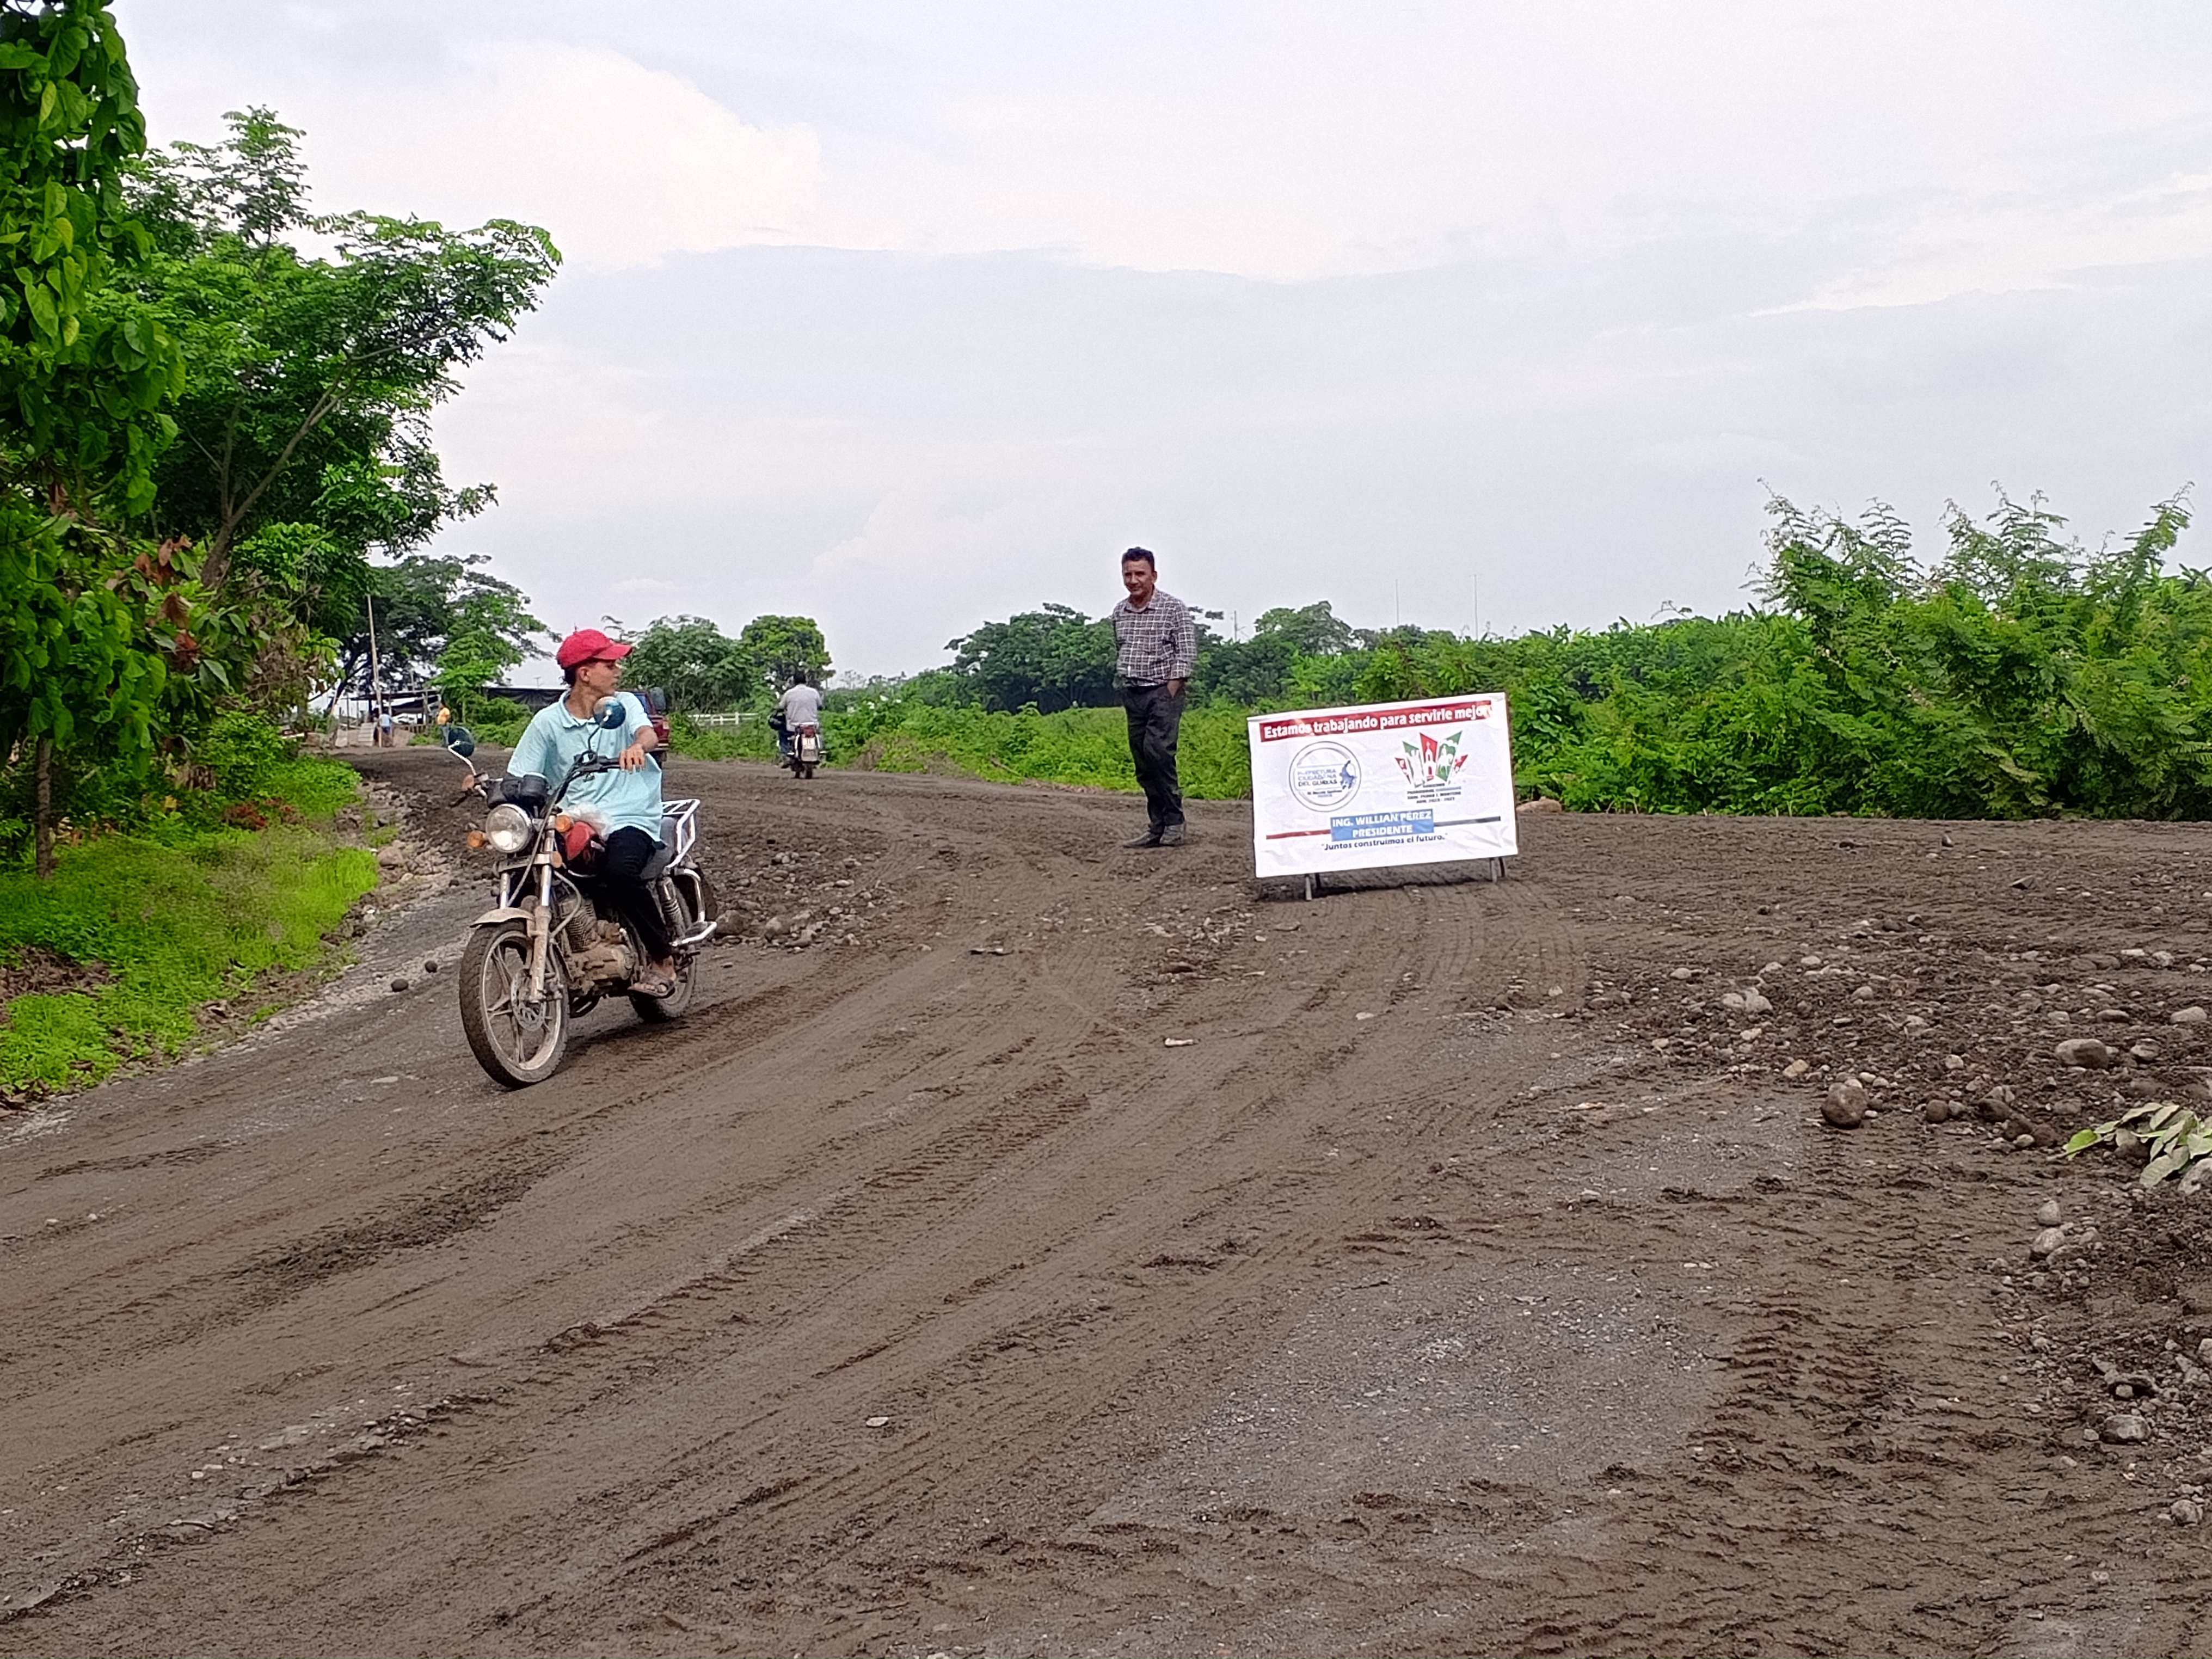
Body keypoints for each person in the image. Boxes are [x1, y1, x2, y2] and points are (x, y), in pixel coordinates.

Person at [508, 628, 679, 998]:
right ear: (584, 673)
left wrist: (637, 747)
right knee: (525, 872)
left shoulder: (624, 704)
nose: (618, 671)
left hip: (630, 812)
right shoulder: (548, 722)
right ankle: (557, 955)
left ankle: (662, 958)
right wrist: (490, 788)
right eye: (610, 664)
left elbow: (647, 734)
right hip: (573, 818)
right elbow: (521, 774)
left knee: (620, 872)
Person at [1111, 546, 1197, 847]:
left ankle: (1175, 821)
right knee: (1143, 762)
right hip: (1133, 693)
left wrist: (1170, 690)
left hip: (1162, 691)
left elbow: (1186, 654)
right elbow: (1120, 648)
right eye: (1128, 574)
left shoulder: (1173, 609)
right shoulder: (1120, 612)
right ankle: (1157, 826)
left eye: (1140, 574)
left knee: (1159, 755)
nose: (1133, 580)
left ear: (1154, 576)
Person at [771, 674, 822, 760]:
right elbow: (820, 706)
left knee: (782, 733)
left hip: (794, 726)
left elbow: (781, 707)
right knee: (819, 733)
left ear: (794, 682)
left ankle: (786, 753)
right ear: (806, 681)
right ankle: (820, 750)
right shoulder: (814, 692)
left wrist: (776, 709)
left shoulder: (789, 694)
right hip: (812, 725)